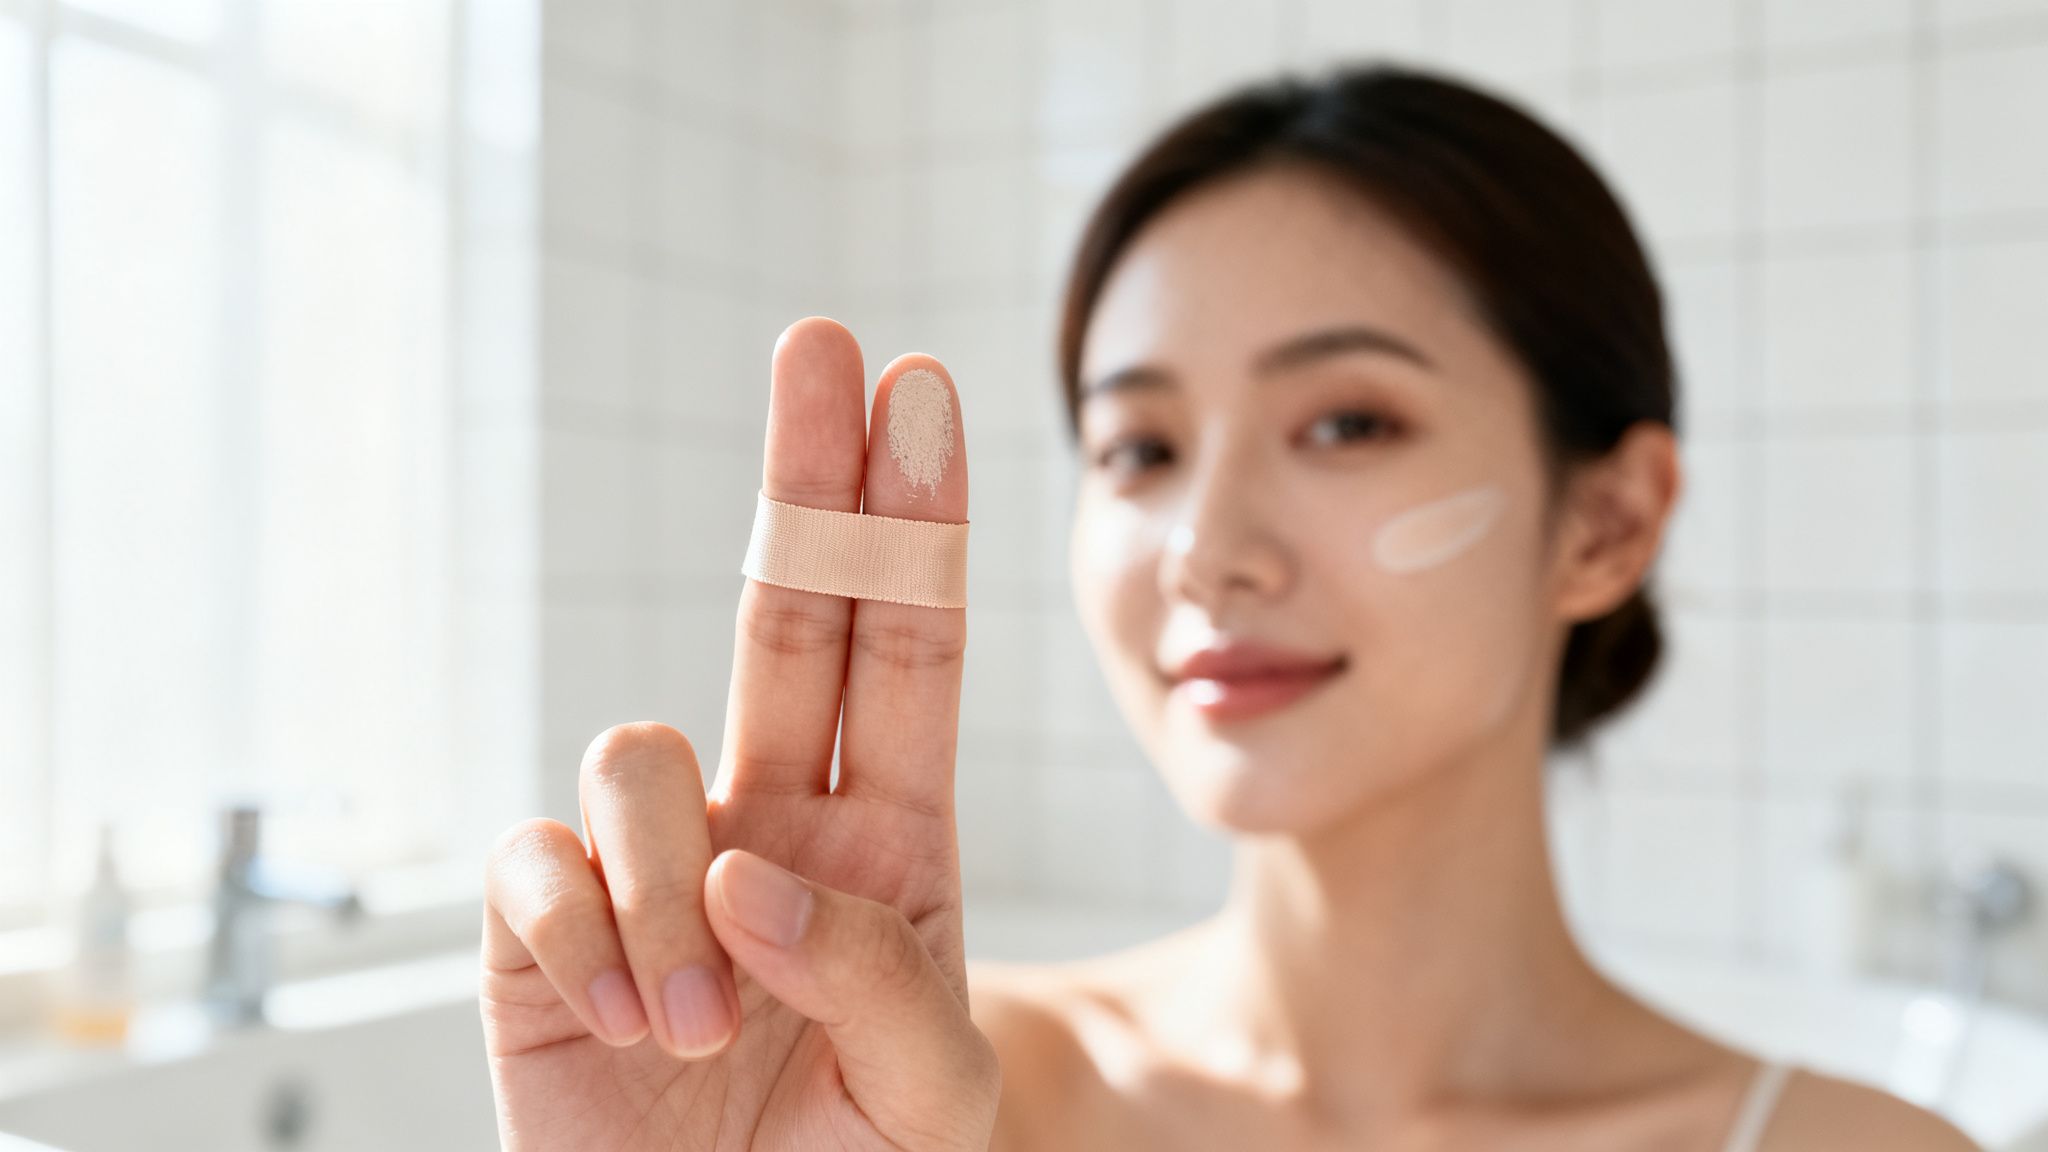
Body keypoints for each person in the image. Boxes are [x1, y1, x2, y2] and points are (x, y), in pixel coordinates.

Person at [477, 62, 1980, 1151]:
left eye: (1345, 425)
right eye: (1139, 448)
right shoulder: (904, 1084)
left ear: (1607, 518)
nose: (1205, 548)